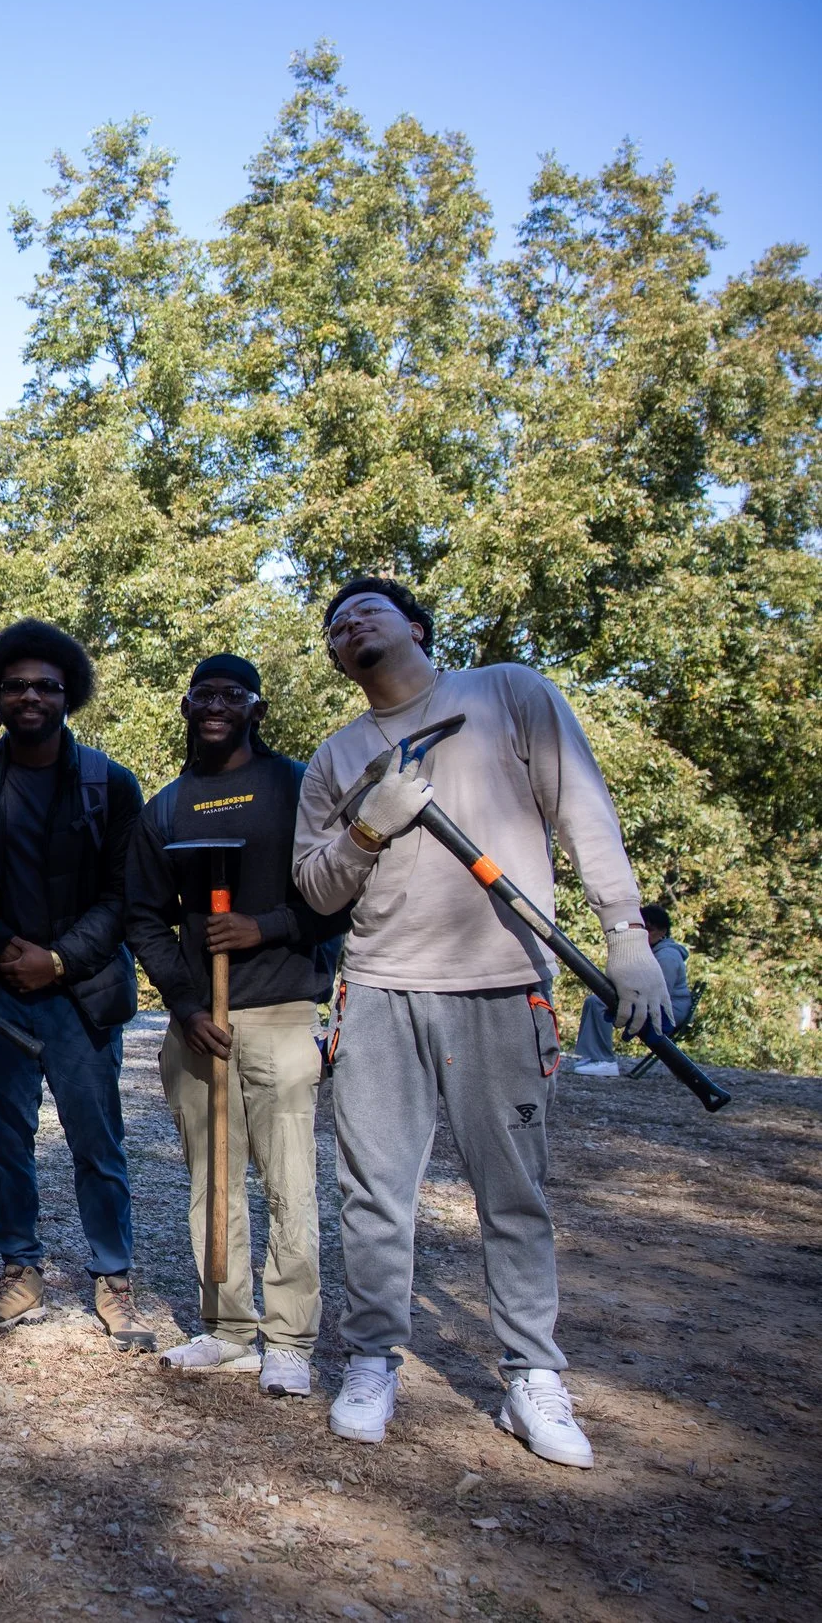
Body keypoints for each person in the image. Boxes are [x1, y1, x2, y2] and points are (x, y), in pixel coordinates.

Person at [296, 576, 670, 1468]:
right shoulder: (337, 757)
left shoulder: (506, 692)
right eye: (337, 626)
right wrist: (365, 833)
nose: (351, 625)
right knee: (374, 1193)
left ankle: (531, 1376)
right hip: (380, 989)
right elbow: (314, 888)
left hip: (504, 981)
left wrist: (626, 935)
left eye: (368, 611)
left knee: (513, 1193)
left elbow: (585, 811)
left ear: (419, 626)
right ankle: (373, 1358)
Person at [122, 654, 349, 1395]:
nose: (215, 705)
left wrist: (267, 926)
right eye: (203, 694)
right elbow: (145, 920)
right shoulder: (167, 808)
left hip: (281, 1011)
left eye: (233, 694)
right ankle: (226, 1329)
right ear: (186, 707)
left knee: (289, 1181)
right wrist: (184, 1005)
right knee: (210, 1181)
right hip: (200, 1024)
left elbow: (339, 894)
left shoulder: (297, 787)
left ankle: (289, 1340)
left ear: (256, 707)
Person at [0, 619, 150, 1350]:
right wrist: (8, 950)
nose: (30, 696)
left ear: (69, 693)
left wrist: (59, 960)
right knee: (3, 1140)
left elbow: (123, 897)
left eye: (45, 686)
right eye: (16, 685)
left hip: (82, 993)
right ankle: (19, 1269)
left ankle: (114, 1280)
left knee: (97, 1141)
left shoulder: (110, 784)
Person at [571, 904, 692, 1072]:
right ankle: (593, 1056)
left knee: (599, 1003)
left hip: (666, 1009)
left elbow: (658, 991)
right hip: (649, 1000)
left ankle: (604, 1061)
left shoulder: (667, 956)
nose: (645, 935)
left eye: (649, 930)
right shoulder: (648, 951)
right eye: (642, 929)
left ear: (662, 932)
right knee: (597, 999)